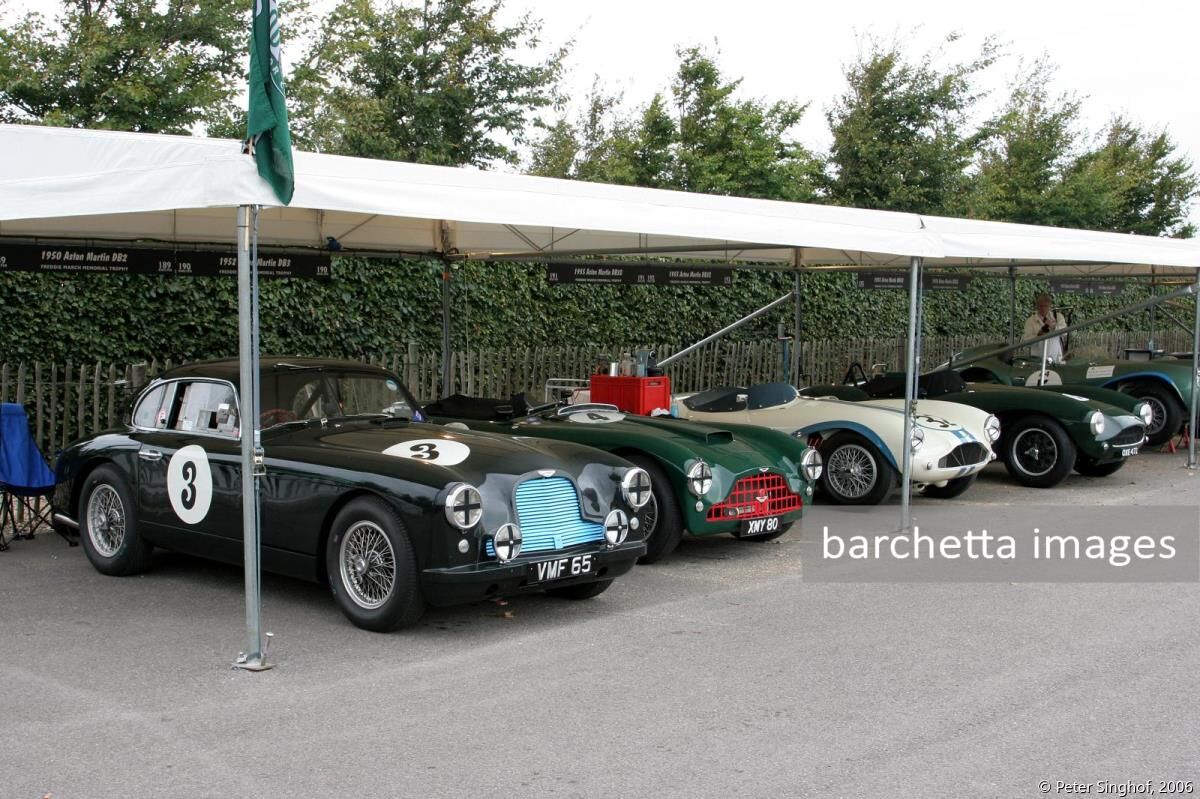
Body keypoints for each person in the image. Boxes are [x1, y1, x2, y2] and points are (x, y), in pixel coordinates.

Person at [1022, 293, 1068, 363]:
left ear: (1050, 306)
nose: (1043, 308)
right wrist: (1038, 336)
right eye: (1041, 306)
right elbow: (1026, 342)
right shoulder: (1030, 321)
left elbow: (1065, 333)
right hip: (1037, 360)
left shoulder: (1058, 317)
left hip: (1056, 359)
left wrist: (1054, 327)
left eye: (1045, 306)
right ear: (1036, 306)